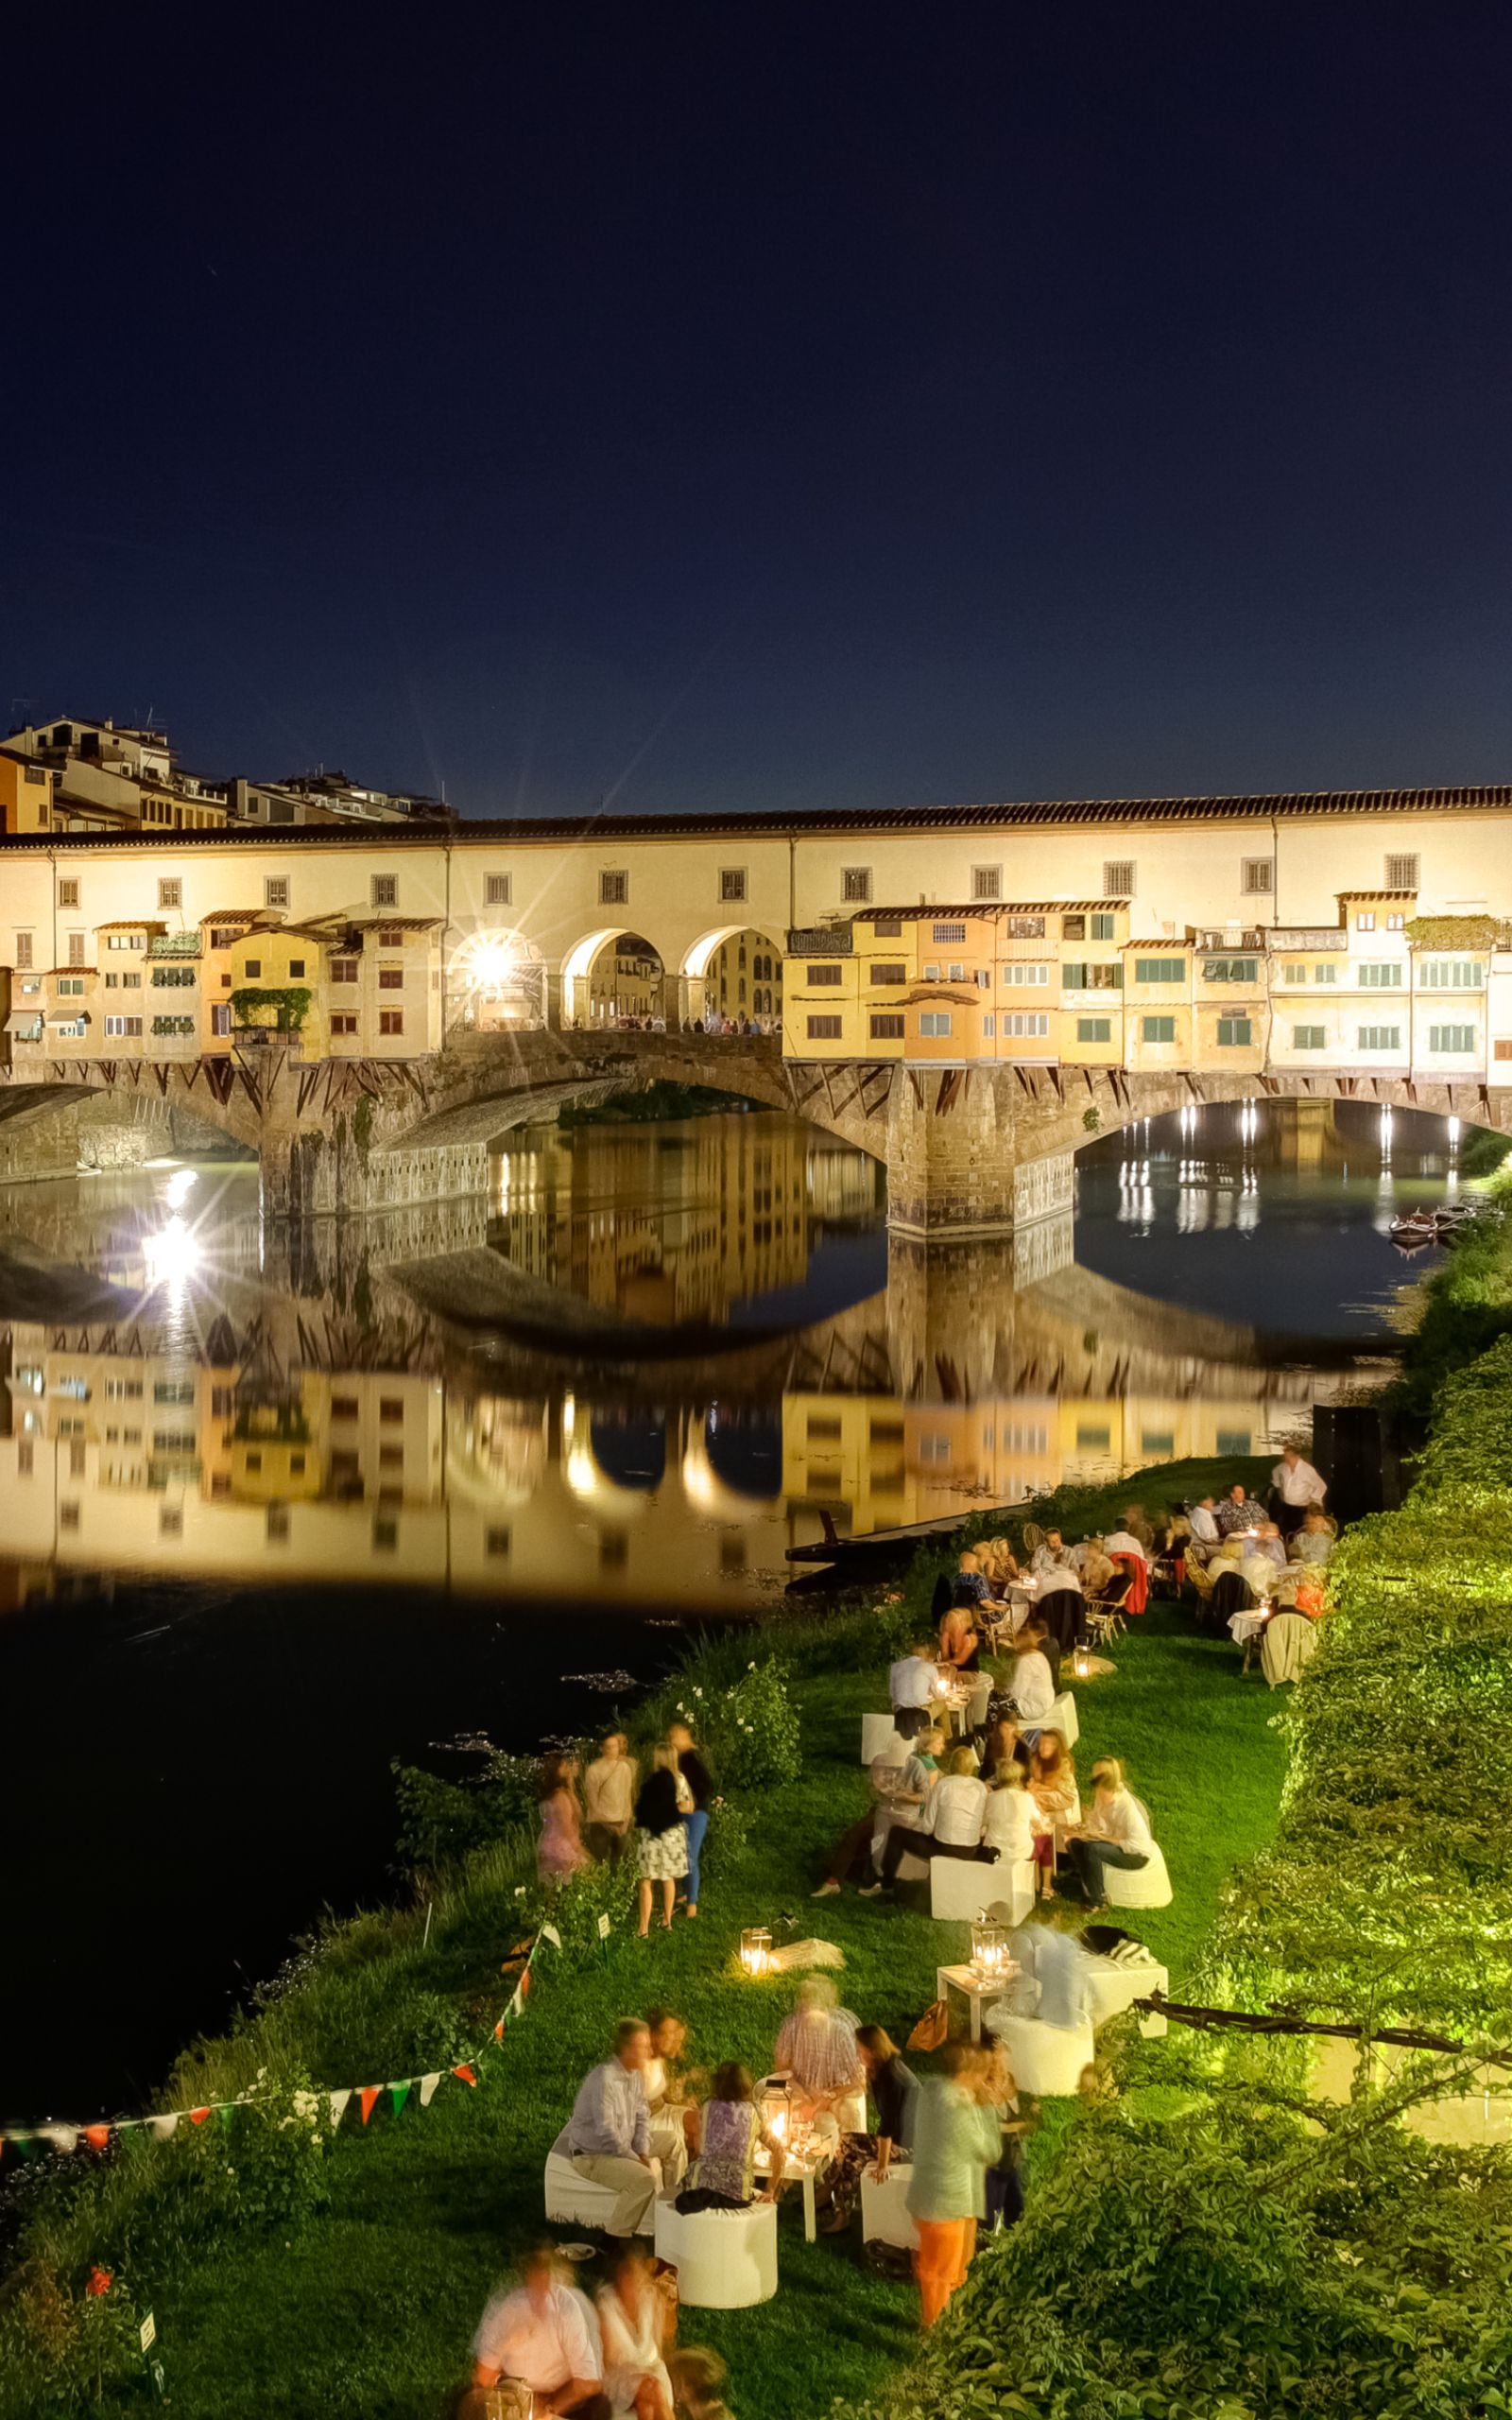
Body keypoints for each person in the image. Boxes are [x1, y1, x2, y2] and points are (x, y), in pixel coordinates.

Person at [905, 2042, 1003, 2327]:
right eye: (982, 2074)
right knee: (940, 2273)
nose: (984, 2080)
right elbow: (990, 2151)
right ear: (967, 2074)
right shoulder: (956, 2110)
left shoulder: (931, 2091)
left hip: (944, 2199)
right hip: (947, 2203)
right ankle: (936, 2330)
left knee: (953, 2270)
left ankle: (952, 2318)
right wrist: (988, 2107)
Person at [471, 2246, 610, 2417]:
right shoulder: (509, 2309)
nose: (540, 2286)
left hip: (560, 2394)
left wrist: (551, 2407)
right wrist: (506, 2342)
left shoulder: (567, 2309)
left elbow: (588, 2383)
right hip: (515, 2394)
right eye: (534, 2275)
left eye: (545, 2275)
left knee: (600, 2407)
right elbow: (483, 2375)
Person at [561, 2019, 661, 2238]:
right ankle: (614, 2238)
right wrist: (636, 2159)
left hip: (625, 2144)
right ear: (627, 2050)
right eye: (644, 2046)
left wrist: (643, 2151)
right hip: (594, 2156)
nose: (650, 2052)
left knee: (672, 2142)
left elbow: (642, 2116)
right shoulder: (604, 2080)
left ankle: (669, 2212)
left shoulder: (635, 2075)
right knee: (645, 2179)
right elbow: (607, 2134)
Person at [818, 2021, 918, 2233]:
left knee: (849, 2151)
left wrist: (882, 2165)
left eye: (860, 2049)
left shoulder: (892, 2077)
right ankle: (839, 2210)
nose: (857, 2053)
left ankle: (830, 2195)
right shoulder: (881, 2069)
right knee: (848, 2150)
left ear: (872, 2050)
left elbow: (888, 2125)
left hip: (909, 2147)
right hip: (897, 2137)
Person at [875, 1745, 992, 1888]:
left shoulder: (942, 1785)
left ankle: (886, 1883)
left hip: (942, 1848)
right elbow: (982, 1821)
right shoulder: (980, 1787)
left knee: (896, 1833)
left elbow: (928, 1827)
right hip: (969, 1850)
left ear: (952, 1764)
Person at [676, 2061, 784, 2212]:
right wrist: (770, 2190)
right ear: (745, 2085)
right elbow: (779, 2151)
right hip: (738, 2196)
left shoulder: (707, 2108)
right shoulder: (754, 2113)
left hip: (701, 2192)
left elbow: (699, 2149)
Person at [1061, 1757, 1155, 1910]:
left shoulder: (1126, 1808)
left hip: (1135, 1854)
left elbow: (1135, 1845)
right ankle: (1088, 1886)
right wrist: (1082, 1829)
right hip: (1114, 1842)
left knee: (1093, 1849)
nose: (1099, 1795)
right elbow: (1098, 1824)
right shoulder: (1101, 1795)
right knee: (1075, 1843)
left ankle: (1097, 1900)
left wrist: (1104, 1838)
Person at [771, 1977, 864, 2122]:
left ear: (826, 2006)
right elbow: (781, 2069)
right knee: (775, 2104)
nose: (807, 2007)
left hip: (835, 2093)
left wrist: (829, 2096)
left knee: (844, 2113)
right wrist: (799, 2091)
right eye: (805, 2000)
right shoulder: (791, 2027)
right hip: (800, 2091)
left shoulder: (841, 2032)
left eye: (812, 2002)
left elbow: (857, 2079)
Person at [596, 2247, 673, 2420]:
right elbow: (606, 2362)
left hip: (654, 2371)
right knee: (652, 2390)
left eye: (639, 2275)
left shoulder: (651, 2299)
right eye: (628, 2274)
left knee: (649, 2399)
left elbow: (663, 2346)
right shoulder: (606, 2306)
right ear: (619, 2276)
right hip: (619, 2376)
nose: (635, 2281)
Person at [634, 1748, 689, 1937]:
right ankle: (667, 1921)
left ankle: (643, 1929)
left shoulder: (651, 1779)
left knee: (645, 1880)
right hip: (672, 1834)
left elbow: (641, 1806)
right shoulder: (680, 1779)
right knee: (668, 1878)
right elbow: (686, 1806)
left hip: (651, 1835)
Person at [643, 2009, 695, 2186]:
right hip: (642, 2122)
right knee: (677, 2140)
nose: (674, 2039)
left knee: (701, 2120)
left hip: (661, 2110)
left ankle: (703, 2181)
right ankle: (675, 2194)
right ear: (653, 2034)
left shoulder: (658, 2057)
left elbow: (657, 2091)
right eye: (669, 2033)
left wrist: (682, 2104)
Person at [666, 1720, 712, 1919]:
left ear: (685, 1734)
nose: (672, 1739)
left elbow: (707, 1784)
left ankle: (692, 1902)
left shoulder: (691, 1757)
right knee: (682, 1852)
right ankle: (687, 1893)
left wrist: (693, 1801)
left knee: (690, 1854)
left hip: (696, 1813)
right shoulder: (679, 1757)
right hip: (683, 1810)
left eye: (676, 1735)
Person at [1027, 1735, 1080, 1887]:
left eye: (1049, 1744)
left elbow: (1065, 1792)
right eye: (1042, 1743)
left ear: (1057, 1748)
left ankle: (1046, 1875)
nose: (1044, 1747)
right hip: (1043, 1797)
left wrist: (1039, 1789)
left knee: (1031, 1800)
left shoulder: (1063, 1763)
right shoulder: (1035, 1760)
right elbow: (1032, 1782)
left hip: (1062, 1799)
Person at [584, 1732, 638, 1866]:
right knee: (601, 1863)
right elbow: (592, 1802)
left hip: (621, 1823)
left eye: (614, 1746)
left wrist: (626, 1822)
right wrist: (609, 1825)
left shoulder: (624, 1768)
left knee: (620, 1864)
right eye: (608, 1747)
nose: (611, 1750)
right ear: (602, 1749)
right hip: (601, 1825)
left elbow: (627, 1797)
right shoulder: (594, 1770)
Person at [537, 1754, 590, 1886]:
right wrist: (579, 1849)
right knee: (582, 1882)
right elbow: (567, 1827)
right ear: (556, 1771)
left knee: (552, 1890)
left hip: (547, 1846)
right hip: (561, 1849)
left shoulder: (549, 1795)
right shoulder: (560, 1797)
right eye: (564, 1766)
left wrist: (570, 1785)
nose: (568, 1769)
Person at [982, 1759, 1037, 1863]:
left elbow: (983, 1821)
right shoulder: (1027, 1798)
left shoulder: (992, 1798)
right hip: (1021, 1851)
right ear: (1018, 1777)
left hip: (993, 1849)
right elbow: (1037, 1820)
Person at [1269, 1443, 1328, 1536]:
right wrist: (1279, 1486)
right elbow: (1275, 1472)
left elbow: (1321, 1486)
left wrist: (1313, 1499)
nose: (1286, 1459)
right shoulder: (1283, 1467)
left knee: (1299, 1533)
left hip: (1301, 1508)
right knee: (1286, 1531)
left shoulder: (1307, 1470)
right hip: (1287, 1507)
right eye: (1285, 1456)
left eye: (1289, 1456)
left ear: (1296, 1456)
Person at [1005, 1630, 1055, 1732]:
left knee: (994, 1705)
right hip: (1048, 1701)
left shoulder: (1026, 1661)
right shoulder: (1040, 1655)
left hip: (1033, 1708)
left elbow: (1017, 1693)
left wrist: (1005, 1692)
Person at [889, 1643, 940, 1739]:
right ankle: (946, 1738)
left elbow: (892, 1694)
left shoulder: (895, 1667)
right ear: (925, 1654)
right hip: (920, 1712)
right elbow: (938, 1694)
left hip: (899, 1711)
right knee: (943, 1703)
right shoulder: (929, 1667)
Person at [937, 1603, 981, 1675]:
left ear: (961, 1622)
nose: (947, 1622)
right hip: (951, 1670)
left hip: (968, 1672)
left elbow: (960, 1661)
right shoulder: (947, 1636)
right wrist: (945, 1642)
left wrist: (942, 1664)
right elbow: (945, 1658)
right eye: (947, 1619)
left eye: (951, 1620)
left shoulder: (969, 1637)